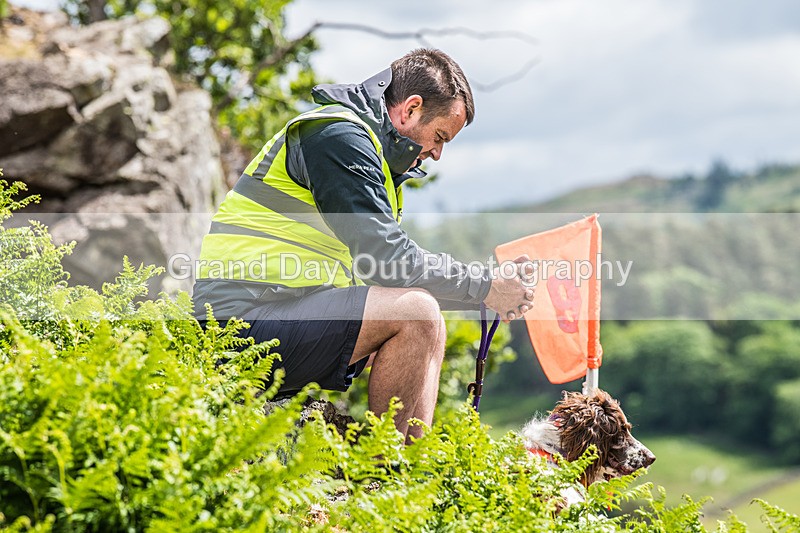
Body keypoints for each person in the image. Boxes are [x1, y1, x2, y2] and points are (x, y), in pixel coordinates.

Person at [193, 48, 535, 442]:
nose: (438, 154)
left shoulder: (367, 151)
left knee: (430, 324)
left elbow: (394, 272)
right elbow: (388, 260)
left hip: (272, 311)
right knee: (417, 314)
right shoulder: (338, 137)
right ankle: (381, 475)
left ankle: (412, 473)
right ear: (410, 109)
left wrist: (487, 293)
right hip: (235, 324)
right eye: (439, 137)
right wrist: (485, 286)